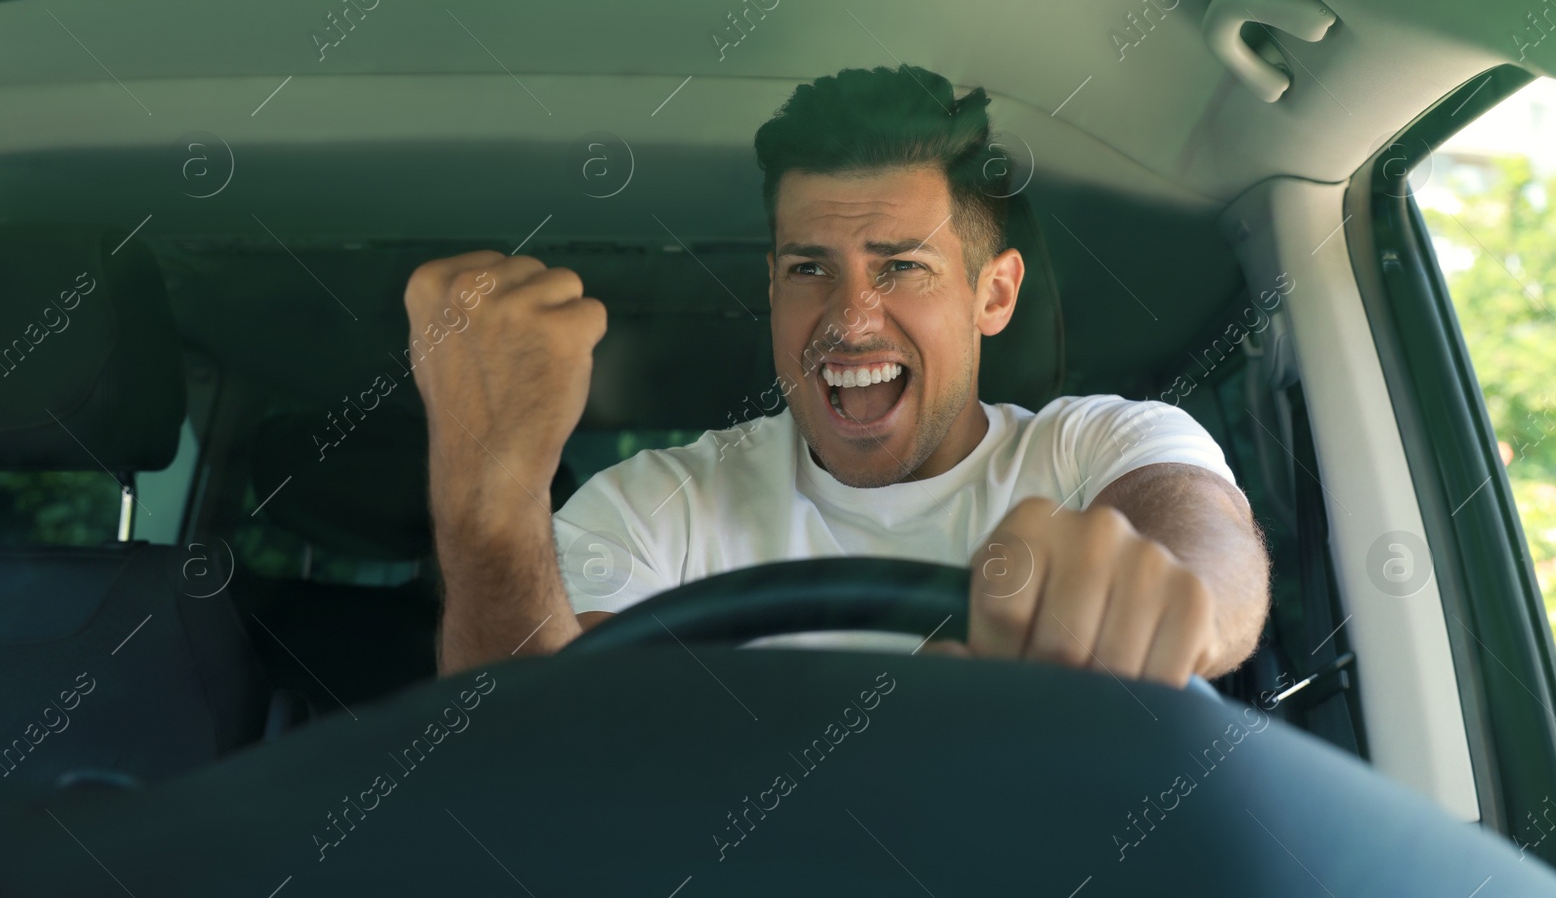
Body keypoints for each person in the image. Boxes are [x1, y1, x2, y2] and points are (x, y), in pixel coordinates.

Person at [404, 64, 1270, 687]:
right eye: (809, 269)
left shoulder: (1099, 445)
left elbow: (1211, 553)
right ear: (772, 286)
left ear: (995, 293)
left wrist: (1145, 599)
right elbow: (522, 764)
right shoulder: (657, 505)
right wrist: (490, 499)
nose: (850, 319)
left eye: (900, 267)